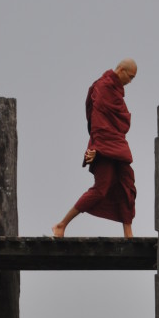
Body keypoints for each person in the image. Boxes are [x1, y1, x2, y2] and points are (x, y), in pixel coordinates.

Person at [52, 58, 138, 239]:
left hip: (116, 145)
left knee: (127, 185)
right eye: (130, 77)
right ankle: (61, 225)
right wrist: (96, 147)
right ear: (121, 70)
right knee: (101, 189)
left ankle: (128, 232)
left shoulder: (116, 91)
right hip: (102, 146)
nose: (130, 82)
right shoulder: (102, 87)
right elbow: (98, 122)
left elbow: (120, 120)